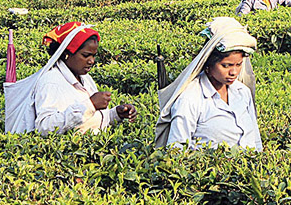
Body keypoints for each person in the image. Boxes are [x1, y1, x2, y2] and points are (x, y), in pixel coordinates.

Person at [156, 17, 262, 151]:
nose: (234, 72)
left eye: (238, 65)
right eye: (226, 65)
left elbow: (255, 140)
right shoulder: (190, 98)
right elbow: (177, 150)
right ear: (208, 65)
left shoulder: (242, 92)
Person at [30, 22, 137, 135]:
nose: (92, 61)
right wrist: (90, 105)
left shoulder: (85, 78)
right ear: (66, 54)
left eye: (93, 55)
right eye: (86, 55)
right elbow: (44, 127)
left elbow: (91, 120)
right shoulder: (51, 82)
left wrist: (115, 114)